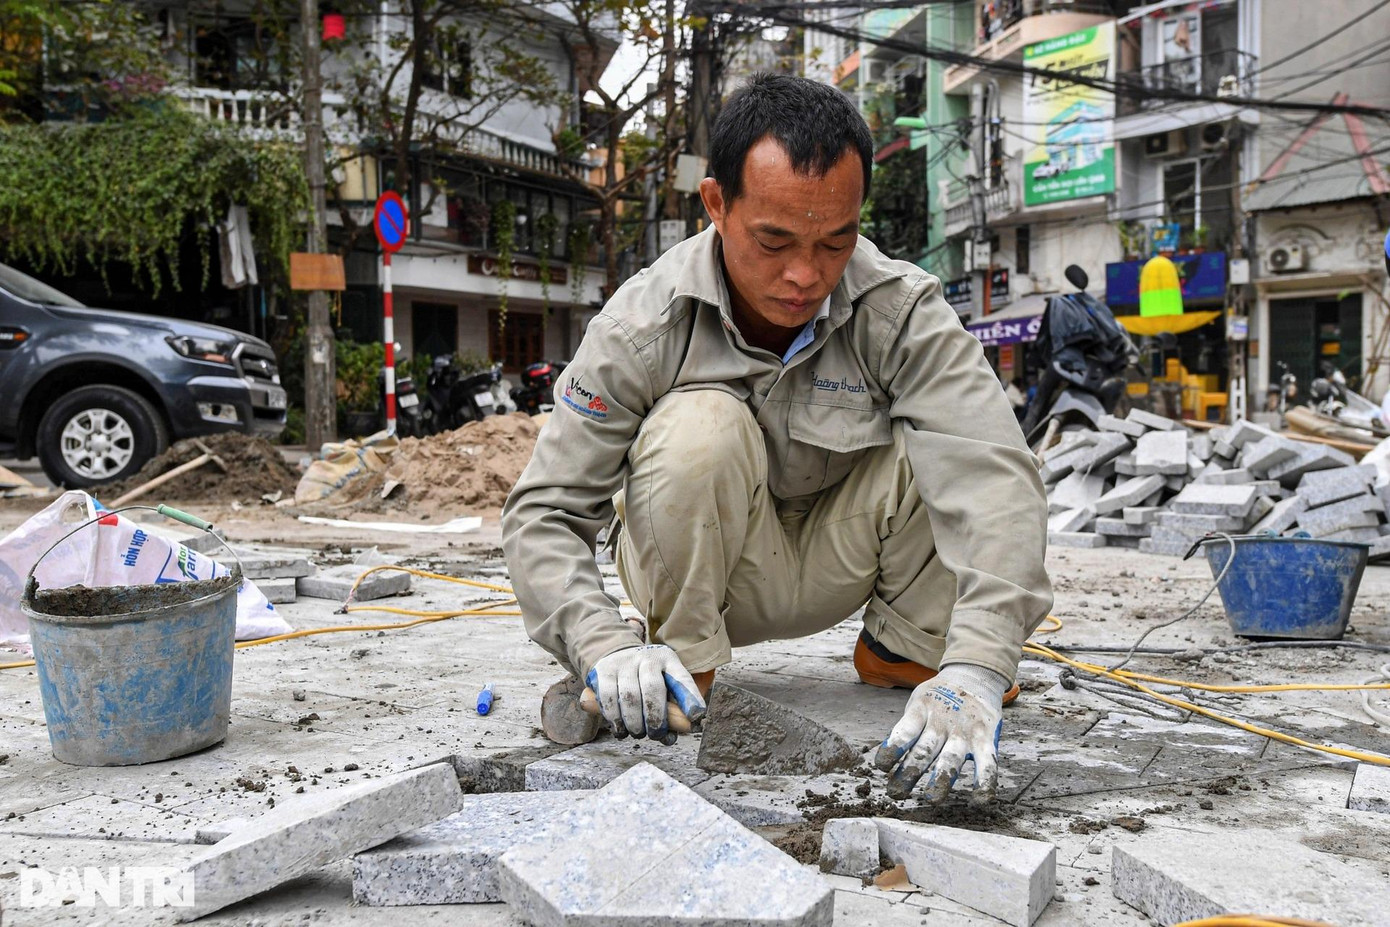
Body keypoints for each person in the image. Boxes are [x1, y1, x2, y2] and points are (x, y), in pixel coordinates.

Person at [502, 74, 1053, 803]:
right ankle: (684, 668)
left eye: (835, 241)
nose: (805, 275)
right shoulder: (640, 327)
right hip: (709, 576)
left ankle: (908, 653)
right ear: (717, 205)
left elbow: (996, 480)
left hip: (845, 559)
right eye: (774, 240)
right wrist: (602, 644)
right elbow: (544, 513)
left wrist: (979, 664)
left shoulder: (902, 311)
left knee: (955, 447)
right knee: (700, 427)